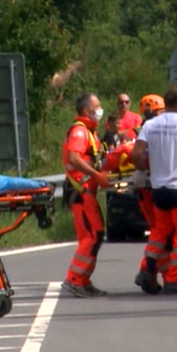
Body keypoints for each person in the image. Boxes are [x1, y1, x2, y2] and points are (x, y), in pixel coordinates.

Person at [131, 85, 177, 294]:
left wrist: (145, 169)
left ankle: (147, 269)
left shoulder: (150, 125)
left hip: (158, 189)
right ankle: (174, 279)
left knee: (159, 232)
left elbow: (136, 155)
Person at [61, 92, 111, 298]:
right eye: (96, 106)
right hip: (81, 191)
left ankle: (83, 279)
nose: (100, 110)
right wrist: (96, 175)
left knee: (95, 235)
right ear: (85, 111)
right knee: (91, 236)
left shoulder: (90, 132)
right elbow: (74, 158)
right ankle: (74, 279)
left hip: (86, 190)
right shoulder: (80, 132)